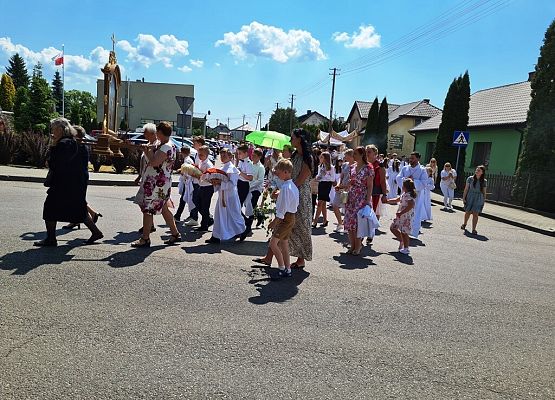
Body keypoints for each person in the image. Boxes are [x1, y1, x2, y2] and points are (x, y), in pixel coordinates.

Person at [34, 117, 103, 247]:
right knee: (78, 209)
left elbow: (55, 163)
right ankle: (96, 232)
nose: (52, 132)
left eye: (54, 129)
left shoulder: (63, 144)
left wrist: (53, 147)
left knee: (49, 208)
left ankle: (51, 239)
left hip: (64, 183)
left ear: (60, 129)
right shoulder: (74, 142)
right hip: (75, 183)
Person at [252, 128, 313, 269]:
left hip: (300, 196)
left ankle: (300, 259)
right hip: (290, 190)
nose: (291, 140)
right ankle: (268, 257)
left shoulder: (307, 158)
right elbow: (288, 174)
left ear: (300, 139)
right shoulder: (295, 155)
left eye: (292, 137)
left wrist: (283, 192)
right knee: (282, 226)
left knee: (300, 228)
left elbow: (300, 180)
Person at [132, 122, 180, 247]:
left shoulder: (166, 147)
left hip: (157, 183)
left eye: (157, 132)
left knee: (148, 209)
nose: (156, 135)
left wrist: (146, 151)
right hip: (161, 182)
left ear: (160, 133)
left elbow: (154, 162)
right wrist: (148, 148)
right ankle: (175, 234)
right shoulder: (166, 145)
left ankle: (145, 238)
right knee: (163, 208)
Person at [62, 125, 103, 230]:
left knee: (76, 200)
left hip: (77, 177)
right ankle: (89, 216)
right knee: (77, 199)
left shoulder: (78, 147)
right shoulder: (79, 146)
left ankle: (93, 228)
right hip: (78, 176)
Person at [267, 159, 299, 278]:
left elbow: (283, 208)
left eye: (278, 171)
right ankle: (288, 268)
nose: (276, 173)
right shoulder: (291, 186)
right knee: (284, 244)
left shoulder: (286, 187)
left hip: (285, 218)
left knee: (273, 244)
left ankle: (282, 268)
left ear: (286, 172)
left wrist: (274, 222)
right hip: (291, 217)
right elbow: (291, 203)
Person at [206, 149, 246, 244]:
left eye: (225, 155)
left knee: (234, 216)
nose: (222, 157)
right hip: (222, 196)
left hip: (230, 197)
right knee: (219, 216)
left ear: (230, 157)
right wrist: (214, 182)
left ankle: (242, 231)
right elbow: (220, 181)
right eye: (221, 155)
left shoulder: (232, 169)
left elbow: (232, 184)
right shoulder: (222, 167)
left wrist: (220, 182)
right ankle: (215, 236)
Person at [343, 147, 373, 255]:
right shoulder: (352, 167)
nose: (353, 155)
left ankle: (358, 246)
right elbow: (350, 182)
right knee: (349, 222)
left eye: (355, 153)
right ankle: (352, 245)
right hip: (351, 196)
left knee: (357, 223)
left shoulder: (368, 168)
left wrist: (368, 200)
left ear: (361, 155)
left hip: (361, 197)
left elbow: (370, 186)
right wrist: (345, 187)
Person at [395, 152, 428, 238]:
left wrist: (413, 183)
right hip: (405, 195)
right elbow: (398, 178)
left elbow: (424, 183)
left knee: (415, 212)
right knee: (403, 211)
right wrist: (406, 180)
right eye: (410, 158)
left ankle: (413, 232)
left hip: (416, 196)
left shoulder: (422, 170)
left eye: (413, 158)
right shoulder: (405, 168)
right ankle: (402, 230)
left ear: (418, 159)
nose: (410, 160)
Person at [389, 179, 417, 255]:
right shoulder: (404, 194)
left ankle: (406, 248)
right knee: (393, 228)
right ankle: (401, 240)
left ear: (405, 187)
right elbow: (397, 199)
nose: (402, 187)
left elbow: (411, 205)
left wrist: (401, 212)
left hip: (405, 216)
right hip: (400, 215)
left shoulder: (409, 195)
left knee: (404, 232)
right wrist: (387, 201)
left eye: (403, 185)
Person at [184, 136, 206, 227]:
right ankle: (194, 216)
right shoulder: (197, 153)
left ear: (200, 144)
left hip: (199, 181)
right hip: (195, 180)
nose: (193, 144)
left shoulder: (201, 154)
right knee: (194, 200)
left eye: (195, 143)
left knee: (196, 201)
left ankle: (203, 218)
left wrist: (194, 171)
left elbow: (202, 168)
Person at [193, 146, 215, 232]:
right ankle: (208, 219)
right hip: (201, 186)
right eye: (199, 154)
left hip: (207, 187)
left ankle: (204, 225)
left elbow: (210, 178)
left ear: (206, 154)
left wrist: (199, 175)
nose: (199, 156)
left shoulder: (209, 164)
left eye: (201, 155)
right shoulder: (201, 162)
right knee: (197, 203)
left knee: (205, 207)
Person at [332, 149, 353, 233]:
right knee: (335, 205)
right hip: (341, 188)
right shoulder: (345, 165)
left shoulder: (355, 166)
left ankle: (346, 225)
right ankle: (340, 223)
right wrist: (339, 184)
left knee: (347, 207)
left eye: (346, 155)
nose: (344, 157)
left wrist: (346, 186)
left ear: (351, 156)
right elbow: (342, 176)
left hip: (348, 190)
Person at [312, 151, 336, 228]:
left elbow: (333, 178)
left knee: (320, 203)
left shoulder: (331, 168)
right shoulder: (320, 166)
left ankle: (315, 221)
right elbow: (318, 176)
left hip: (327, 184)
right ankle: (325, 220)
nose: (320, 158)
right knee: (323, 204)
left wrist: (325, 175)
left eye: (322, 157)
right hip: (321, 184)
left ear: (325, 158)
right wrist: (318, 177)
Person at [461, 165, 487, 235]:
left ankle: (473, 229)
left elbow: (484, 192)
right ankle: (464, 224)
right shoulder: (470, 178)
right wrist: (464, 198)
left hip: (479, 198)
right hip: (470, 196)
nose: (477, 171)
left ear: (482, 172)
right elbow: (466, 189)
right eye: (476, 170)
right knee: (468, 212)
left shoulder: (484, 181)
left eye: (479, 170)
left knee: (476, 214)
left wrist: (483, 201)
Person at [246, 148, 265, 231]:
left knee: (251, 207)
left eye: (254, 156)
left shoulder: (261, 167)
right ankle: (260, 215)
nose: (252, 156)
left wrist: (250, 186)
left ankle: (248, 226)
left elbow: (260, 180)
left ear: (259, 157)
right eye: (252, 155)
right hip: (247, 188)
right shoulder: (249, 164)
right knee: (247, 206)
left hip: (255, 190)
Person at [174, 146, 195, 221]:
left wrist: (181, 172)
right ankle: (192, 215)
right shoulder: (189, 159)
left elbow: (187, 172)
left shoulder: (187, 160)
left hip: (187, 182)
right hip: (187, 182)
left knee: (183, 200)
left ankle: (177, 216)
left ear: (181, 153)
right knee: (187, 199)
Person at [366, 145, 388, 216]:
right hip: (364, 191)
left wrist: (384, 195)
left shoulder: (379, 166)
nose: (367, 154)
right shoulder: (363, 164)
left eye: (369, 152)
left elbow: (382, 181)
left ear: (375, 154)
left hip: (375, 192)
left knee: (374, 213)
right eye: (366, 152)